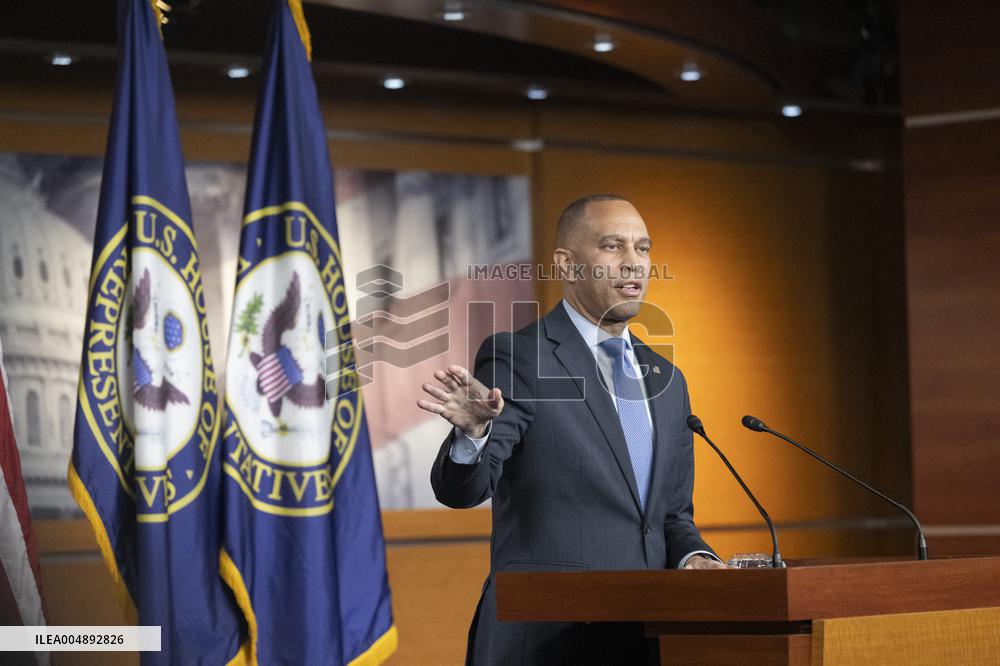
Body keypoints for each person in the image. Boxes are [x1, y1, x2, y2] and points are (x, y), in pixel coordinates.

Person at [418, 194, 725, 665]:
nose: (633, 263)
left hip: (645, 639)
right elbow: (464, 490)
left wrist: (693, 558)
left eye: (643, 249)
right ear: (568, 263)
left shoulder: (667, 379)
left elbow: (671, 518)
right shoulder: (521, 358)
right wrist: (472, 436)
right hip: (545, 640)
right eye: (612, 246)